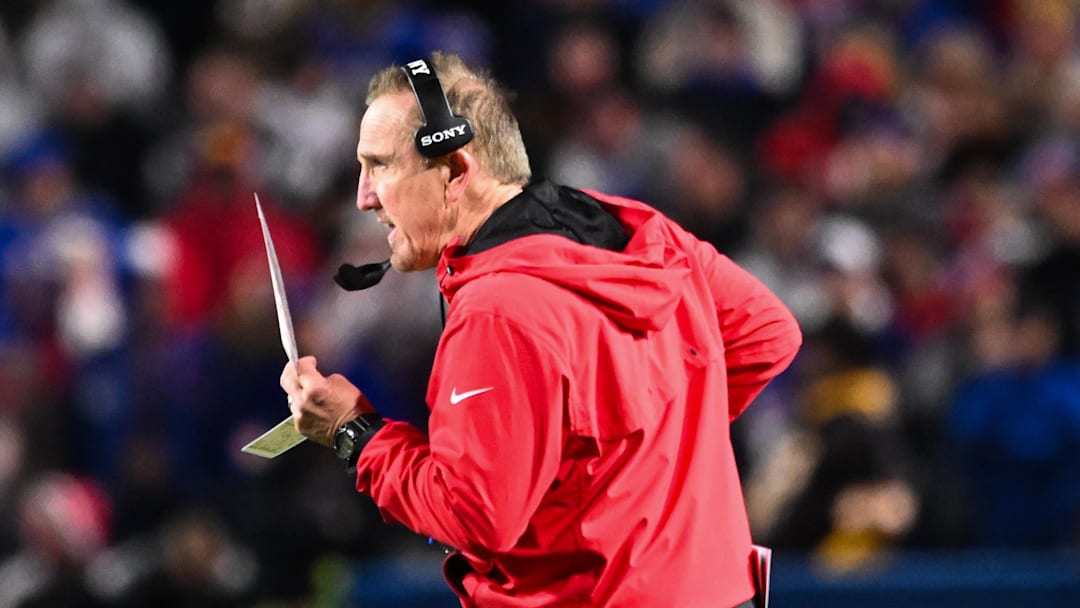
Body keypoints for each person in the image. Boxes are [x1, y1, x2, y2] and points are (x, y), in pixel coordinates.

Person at [279, 51, 802, 608]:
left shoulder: (495, 311)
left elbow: (474, 516)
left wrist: (354, 433)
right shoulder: (634, 226)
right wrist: (647, 459)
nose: (362, 196)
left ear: (455, 170)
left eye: (380, 165)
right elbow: (767, 335)